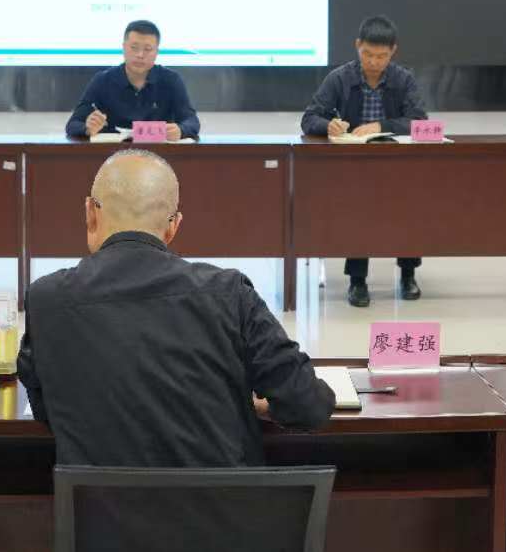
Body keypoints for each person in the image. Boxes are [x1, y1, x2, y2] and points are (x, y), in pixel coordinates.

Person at [17, 149, 334, 466]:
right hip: (224, 498)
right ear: (173, 226)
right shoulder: (229, 294)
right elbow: (309, 406)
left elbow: (46, 408)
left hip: (97, 500)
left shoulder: (47, 300)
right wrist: (259, 406)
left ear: (90, 212)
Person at [301, 14, 432, 307]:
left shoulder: (403, 79)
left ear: (393, 51)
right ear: (357, 46)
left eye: (381, 56)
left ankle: (408, 274)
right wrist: (328, 125)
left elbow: (419, 122)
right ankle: (357, 280)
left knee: (409, 206)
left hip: (398, 166)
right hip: (354, 168)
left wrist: (381, 126)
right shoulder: (340, 78)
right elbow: (309, 118)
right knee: (358, 210)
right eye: (367, 54)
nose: (373, 62)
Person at [65, 20, 201, 142]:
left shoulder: (171, 80)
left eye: (147, 49)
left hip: (158, 154)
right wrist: (87, 128)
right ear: (124, 47)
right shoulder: (103, 80)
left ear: (156, 52)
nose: (140, 55)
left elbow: (191, 121)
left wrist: (181, 130)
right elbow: (73, 124)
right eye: (134, 48)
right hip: (112, 154)